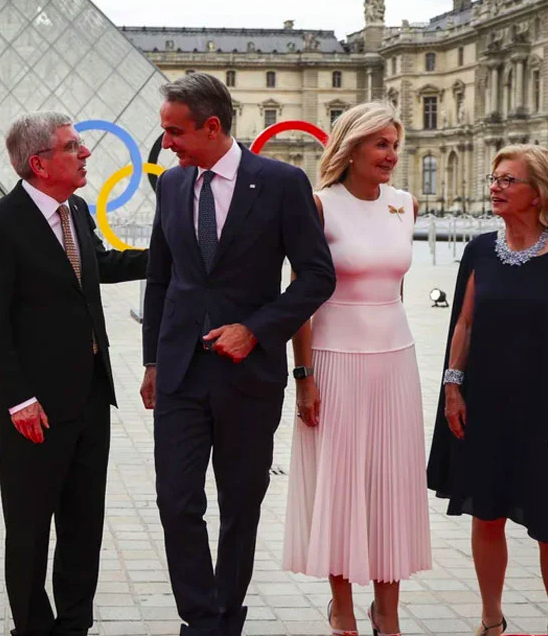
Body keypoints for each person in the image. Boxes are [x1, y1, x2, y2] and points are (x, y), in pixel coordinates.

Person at [140, 73, 335, 636]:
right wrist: (152, 360)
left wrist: (255, 329)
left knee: (240, 504)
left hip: (248, 373)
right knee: (176, 501)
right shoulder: (172, 185)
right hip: (180, 371)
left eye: (175, 132)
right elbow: (160, 278)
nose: (167, 144)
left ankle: (225, 616)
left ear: (212, 126)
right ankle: (202, 620)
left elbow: (317, 276)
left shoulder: (281, 183)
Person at [0, 112, 148, 636]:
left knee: (83, 523)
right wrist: (17, 398)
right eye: (72, 147)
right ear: (40, 163)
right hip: (34, 407)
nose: (85, 153)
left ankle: (74, 625)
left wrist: (165, 253)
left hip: (91, 395)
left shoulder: (77, 211)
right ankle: (31, 626)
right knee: (29, 528)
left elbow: (99, 266)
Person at [427, 144, 548, 636]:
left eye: (508, 180)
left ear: (540, 193)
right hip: (485, 405)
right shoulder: (478, 251)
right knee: (486, 516)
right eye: (494, 179)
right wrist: (452, 389)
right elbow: (463, 325)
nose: (495, 187)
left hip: (547, 411)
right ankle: (491, 619)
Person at [282, 102, 431, 636]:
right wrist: (303, 377)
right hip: (333, 360)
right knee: (341, 484)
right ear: (351, 148)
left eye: (395, 145)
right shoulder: (320, 206)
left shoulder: (406, 204)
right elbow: (301, 296)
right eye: (380, 144)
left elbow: (396, 288)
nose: (391, 155)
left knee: (392, 484)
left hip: (395, 362)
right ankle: (342, 609)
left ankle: (387, 613)